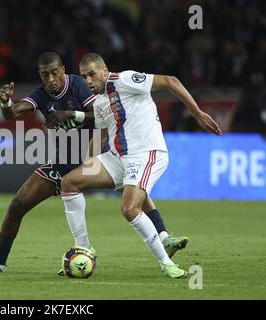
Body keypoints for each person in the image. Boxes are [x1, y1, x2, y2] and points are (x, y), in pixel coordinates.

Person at [0, 52, 188, 273]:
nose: (50, 79)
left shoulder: (80, 84)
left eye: (54, 73)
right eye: (44, 75)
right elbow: (12, 114)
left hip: (93, 154)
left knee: (133, 190)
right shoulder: (40, 95)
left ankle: (163, 237)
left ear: (63, 70)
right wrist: (6, 101)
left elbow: (101, 114)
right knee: (18, 204)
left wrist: (70, 115)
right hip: (63, 161)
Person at [60, 53, 222, 278]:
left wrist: (197, 113)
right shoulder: (98, 102)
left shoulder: (124, 80)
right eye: (84, 76)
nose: (88, 81)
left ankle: (167, 264)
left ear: (105, 70)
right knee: (69, 182)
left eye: (92, 74)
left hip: (146, 154)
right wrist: (88, 163)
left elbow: (170, 81)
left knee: (129, 208)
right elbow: (101, 136)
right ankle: (84, 250)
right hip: (118, 158)